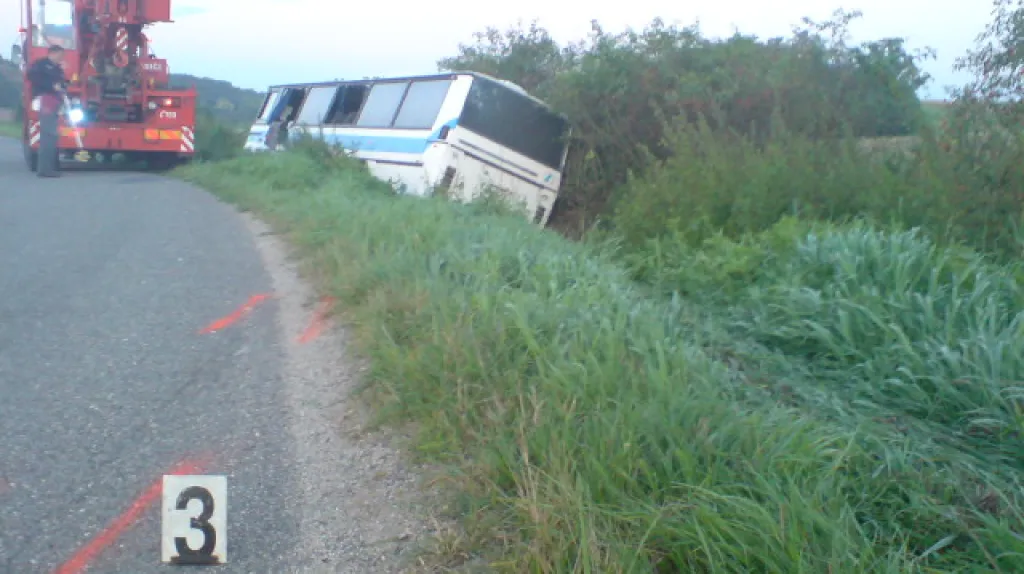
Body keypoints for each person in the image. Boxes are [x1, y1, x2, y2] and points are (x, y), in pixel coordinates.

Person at [27, 45, 68, 177]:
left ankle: (49, 167)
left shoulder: (57, 68)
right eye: (60, 55)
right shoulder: (40, 65)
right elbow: (32, 76)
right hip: (46, 100)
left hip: (54, 101)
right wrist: (51, 85)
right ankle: (45, 170)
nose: (62, 58)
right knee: (48, 135)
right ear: (53, 53)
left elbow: (61, 83)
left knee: (52, 136)